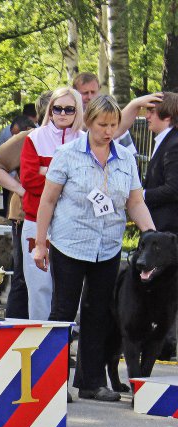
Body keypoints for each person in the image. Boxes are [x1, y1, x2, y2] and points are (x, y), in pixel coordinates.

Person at [33, 95, 156, 402]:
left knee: (97, 313)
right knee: (63, 310)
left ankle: (90, 382)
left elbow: (135, 201)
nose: (108, 131)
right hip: (70, 243)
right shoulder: (67, 154)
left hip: (108, 245)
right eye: (102, 124)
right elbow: (47, 201)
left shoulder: (125, 158)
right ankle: (53, 381)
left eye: (113, 125)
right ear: (88, 123)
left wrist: (152, 235)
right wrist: (39, 243)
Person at [0, 92, 52, 318]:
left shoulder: (76, 139)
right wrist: (20, 189)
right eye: (58, 109)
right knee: (24, 277)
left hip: (60, 218)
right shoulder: (28, 138)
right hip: (26, 215)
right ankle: (16, 334)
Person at [20, 87, 84, 320]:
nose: (62, 113)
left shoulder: (85, 141)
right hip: (36, 221)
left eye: (69, 109)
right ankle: (39, 346)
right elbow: (28, 180)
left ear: (78, 110)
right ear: (50, 110)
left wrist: (47, 173)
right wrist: (66, 181)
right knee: (39, 288)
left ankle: (67, 345)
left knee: (71, 290)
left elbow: (88, 183)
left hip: (74, 224)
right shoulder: (34, 138)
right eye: (57, 108)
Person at [142, 92, 178, 360]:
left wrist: (139, 197)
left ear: (167, 115)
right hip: (160, 227)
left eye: (151, 112)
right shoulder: (163, 142)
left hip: (168, 229)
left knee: (168, 289)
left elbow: (173, 188)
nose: (146, 117)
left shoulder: (174, 144)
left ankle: (167, 342)